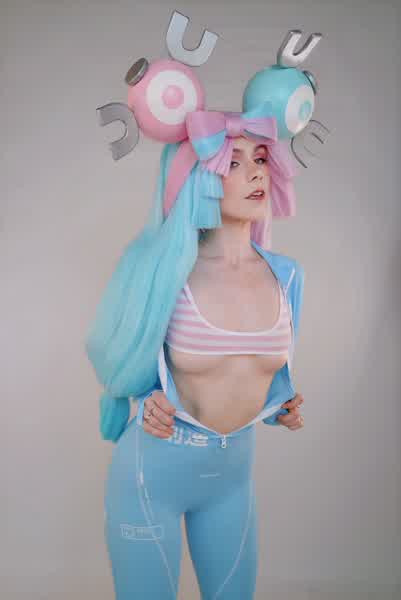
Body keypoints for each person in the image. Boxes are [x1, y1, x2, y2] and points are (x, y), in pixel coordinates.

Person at [86, 102, 306, 599]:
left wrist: (282, 406)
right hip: (152, 473)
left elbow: (266, 370)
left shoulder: (288, 275)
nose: (256, 173)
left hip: (233, 480)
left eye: (260, 160)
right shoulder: (168, 274)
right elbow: (127, 359)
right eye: (234, 163)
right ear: (198, 179)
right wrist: (145, 396)